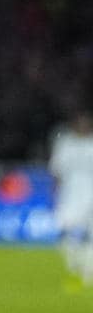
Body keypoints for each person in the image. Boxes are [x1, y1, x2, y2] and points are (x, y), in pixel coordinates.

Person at [52, 111, 93, 288]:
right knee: (64, 232)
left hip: (91, 196)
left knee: (90, 236)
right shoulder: (65, 145)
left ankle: (88, 273)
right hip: (70, 197)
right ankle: (74, 267)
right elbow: (57, 172)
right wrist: (55, 195)